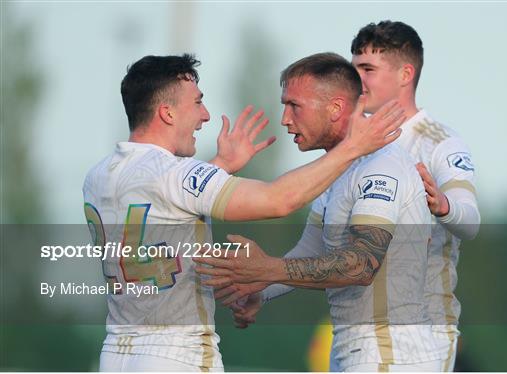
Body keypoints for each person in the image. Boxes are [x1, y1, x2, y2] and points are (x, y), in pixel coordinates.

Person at [82, 54, 404, 372]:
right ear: (167, 113)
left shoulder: (100, 176)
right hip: (175, 354)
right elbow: (280, 200)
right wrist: (354, 147)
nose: (205, 115)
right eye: (197, 102)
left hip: (116, 353)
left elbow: (163, 200)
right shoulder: (176, 173)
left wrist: (220, 168)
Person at [194, 52, 441, 371]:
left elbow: (362, 264)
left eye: (294, 105)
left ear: (336, 108)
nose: (284, 118)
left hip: (391, 354)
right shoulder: (335, 170)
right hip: (354, 351)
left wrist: (267, 269)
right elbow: (311, 249)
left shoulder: (382, 165)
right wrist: (262, 290)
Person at [350, 21, 481, 371]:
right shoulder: (353, 148)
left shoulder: (440, 142)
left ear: (405, 73)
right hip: (357, 337)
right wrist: (263, 285)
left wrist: (443, 205)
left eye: (368, 69)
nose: (356, 80)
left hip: (421, 335)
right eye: (354, 69)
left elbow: (470, 221)